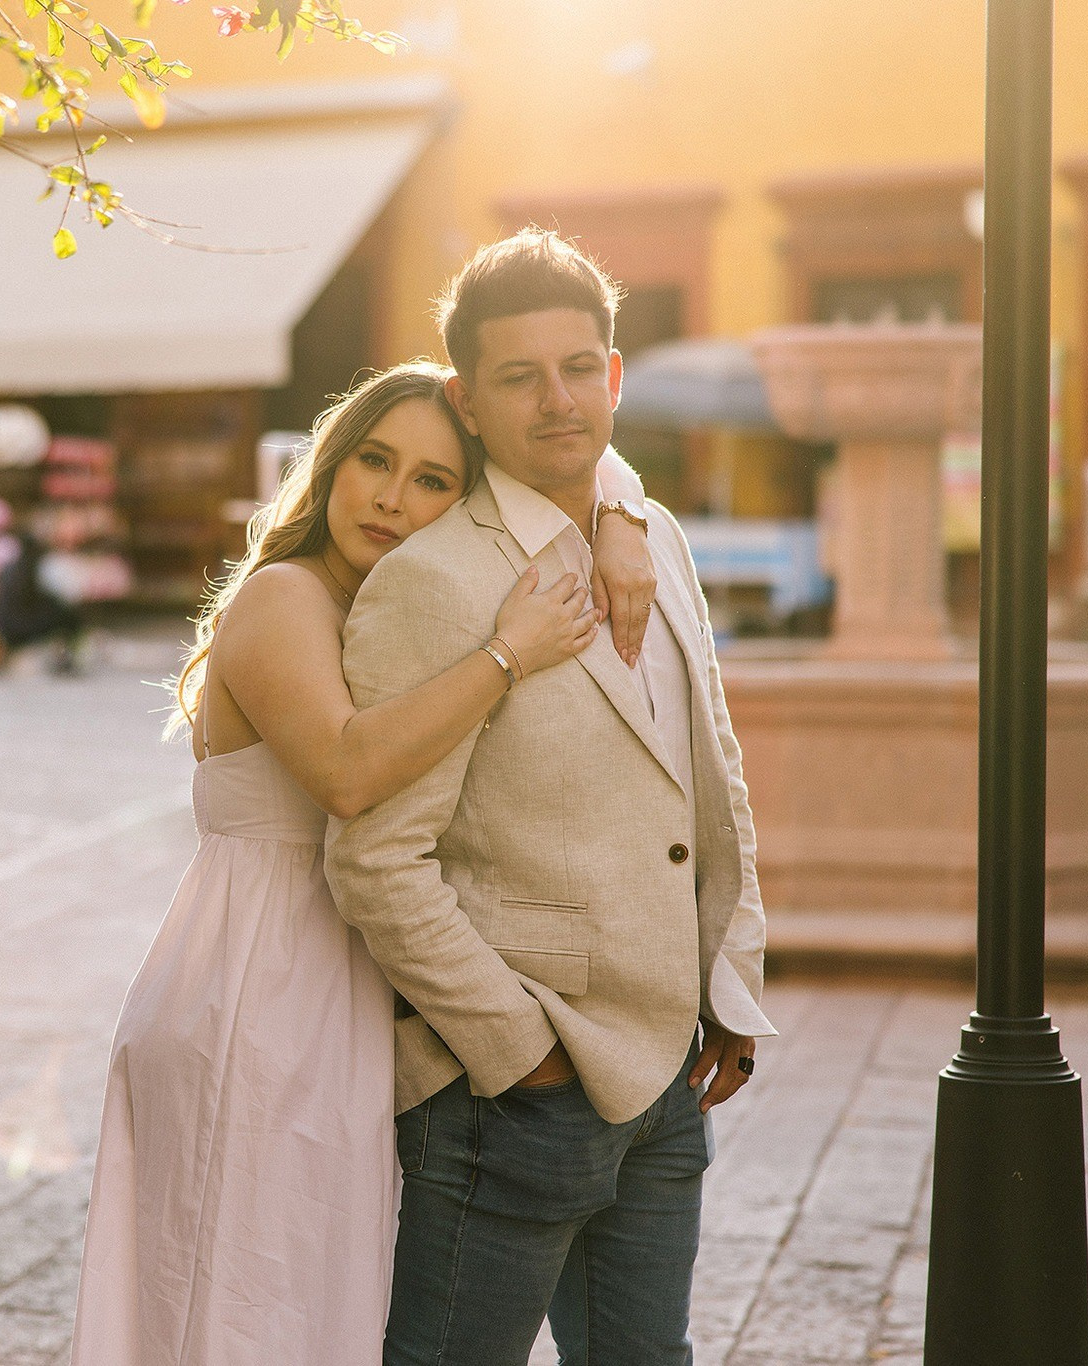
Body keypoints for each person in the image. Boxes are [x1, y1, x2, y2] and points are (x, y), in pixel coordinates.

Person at [70, 360, 657, 1365]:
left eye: (432, 479)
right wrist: (509, 653)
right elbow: (344, 772)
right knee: (242, 1305)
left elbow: (571, 459)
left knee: (305, 1303)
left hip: (335, 999)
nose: (391, 496)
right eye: (373, 461)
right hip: (254, 993)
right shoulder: (282, 596)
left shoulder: (390, 611)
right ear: (330, 469)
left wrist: (621, 510)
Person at [325, 230, 775, 1366]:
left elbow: (708, 770)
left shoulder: (654, 535)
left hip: (668, 1079)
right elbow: (374, 858)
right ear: (467, 403)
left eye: (578, 368)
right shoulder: (429, 582)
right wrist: (513, 1049)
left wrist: (725, 977)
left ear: (614, 375)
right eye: (517, 378)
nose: (556, 400)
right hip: (514, 1094)